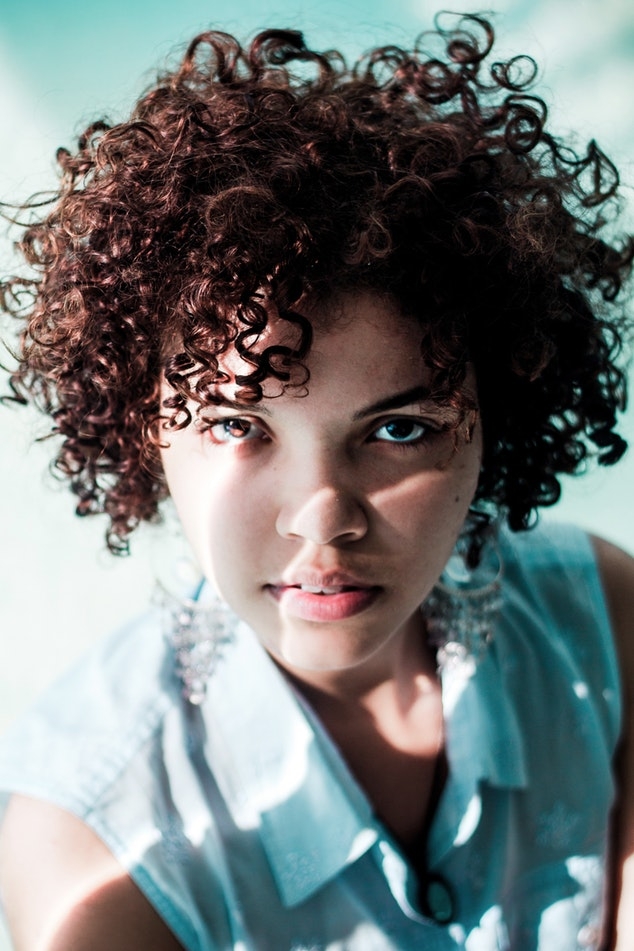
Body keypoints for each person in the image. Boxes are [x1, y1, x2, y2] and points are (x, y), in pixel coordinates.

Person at [0, 12, 633, 950]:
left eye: (399, 428)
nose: (323, 517)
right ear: (146, 428)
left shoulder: (601, 629)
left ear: (492, 412)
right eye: (238, 426)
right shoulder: (91, 851)